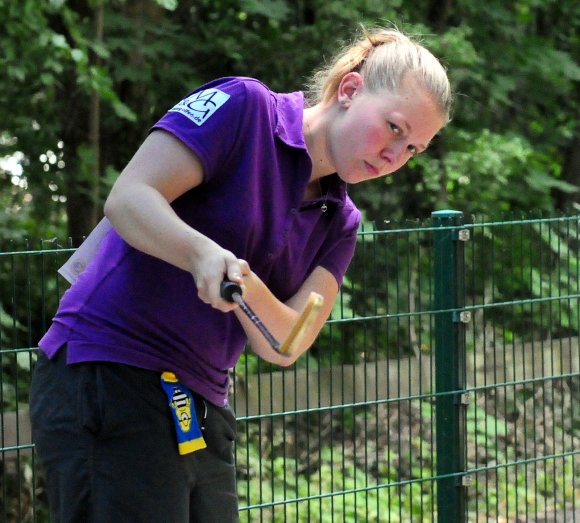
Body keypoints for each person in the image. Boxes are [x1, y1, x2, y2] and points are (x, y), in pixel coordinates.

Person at [29, 26, 452, 523]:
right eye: (395, 128)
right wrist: (200, 253)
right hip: (108, 369)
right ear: (350, 90)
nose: (394, 157)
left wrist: (245, 284)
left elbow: (285, 344)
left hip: (200, 402)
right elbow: (129, 197)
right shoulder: (244, 107)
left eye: (413, 150)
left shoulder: (342, 221)